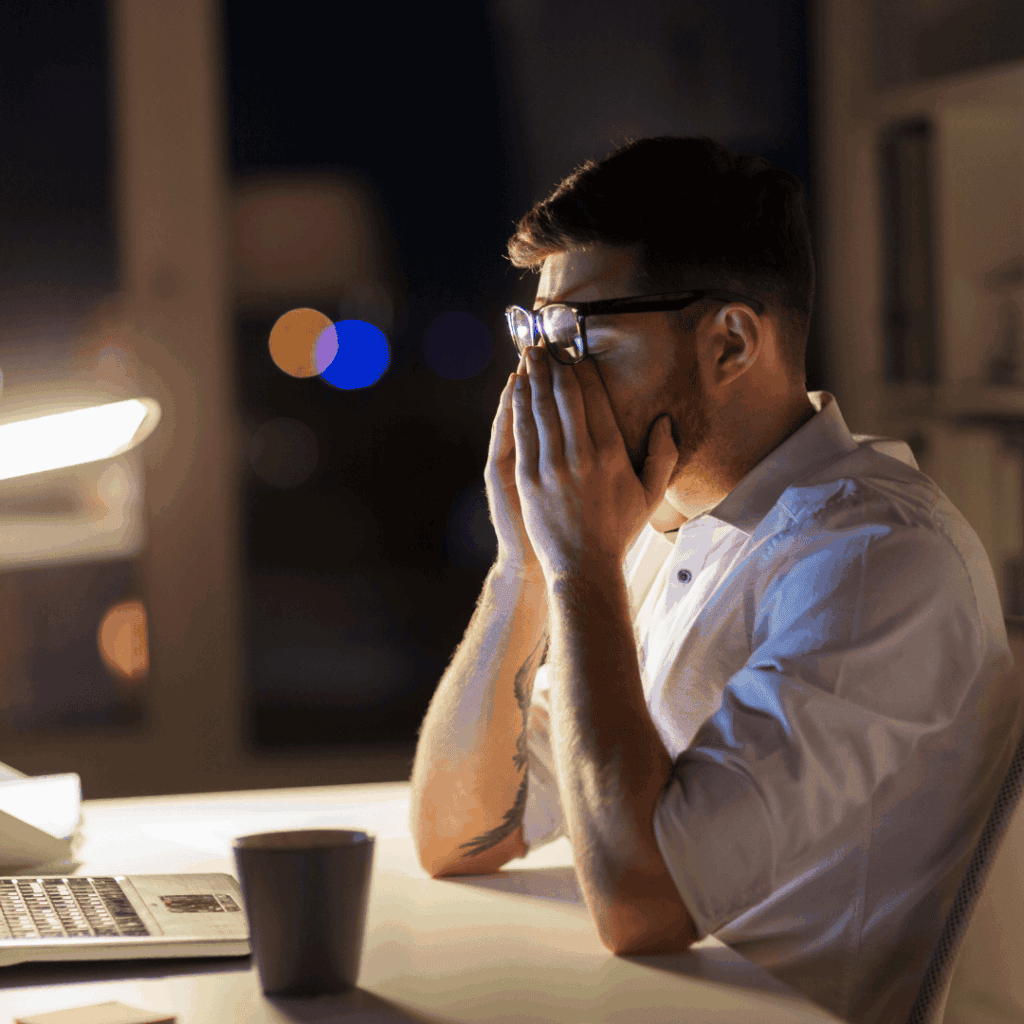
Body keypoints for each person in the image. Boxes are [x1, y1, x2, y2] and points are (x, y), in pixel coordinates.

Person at [408, 136, 1019, 1024]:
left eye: (576, 333)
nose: (541, 376)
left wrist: (581, 566)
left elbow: (642, 907)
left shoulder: (874, 560)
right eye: (533, 333)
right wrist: (524, 565)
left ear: (730, 342)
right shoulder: (661, 526)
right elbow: (459, 834)